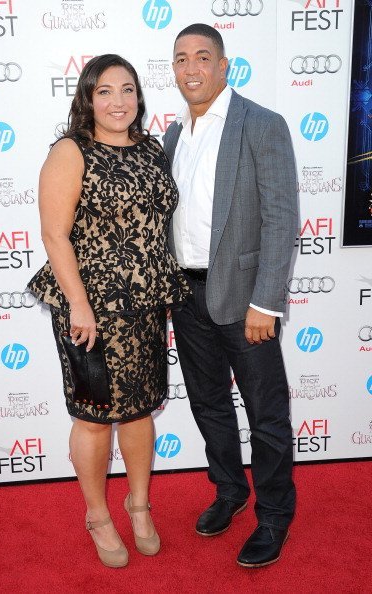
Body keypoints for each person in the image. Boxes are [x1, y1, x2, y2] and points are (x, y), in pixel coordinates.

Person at [27, 54, 189, 568]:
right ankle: (97, 514)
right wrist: (79, 304)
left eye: (127, 90)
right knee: (96, 416)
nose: (117, 101)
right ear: (88, 99)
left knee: (139, 408)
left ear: (139, 97)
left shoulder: (150, 149)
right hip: (88, 310)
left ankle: (138, 506)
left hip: (142, 306)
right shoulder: (71, 151)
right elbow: (55, 234)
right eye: (105, 91)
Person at [164, 24, 298, 568]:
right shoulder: (174, 135)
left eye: (202, 57)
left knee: (265, 413)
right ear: (173, 70)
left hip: (246, 300)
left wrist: (266, 302)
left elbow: (281, 216)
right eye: (180, 59)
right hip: (187, 295)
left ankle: (273, 514)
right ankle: (229, 491)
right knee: (209, 404)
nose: (191, 68)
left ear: (224, 65)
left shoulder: (261, 124)